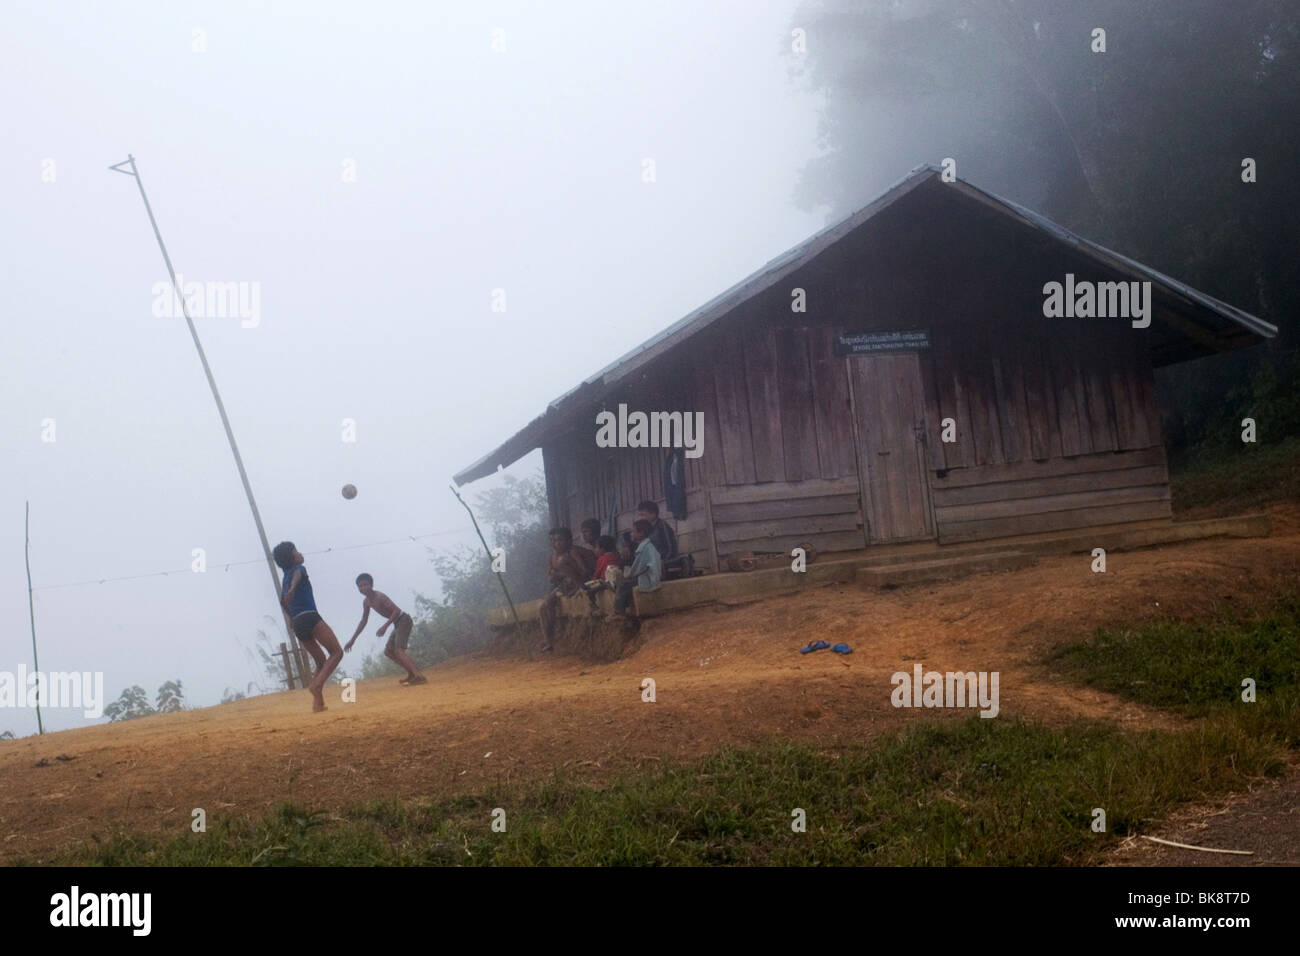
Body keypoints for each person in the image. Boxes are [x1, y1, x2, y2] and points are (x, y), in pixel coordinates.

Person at [273, 541, 344, 713]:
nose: (300, 553)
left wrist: (290, 617)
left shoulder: (284, 578)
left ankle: (318, 703)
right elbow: (298, 574)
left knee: (320, 661)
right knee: (336, 652)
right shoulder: (298, 570)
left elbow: (283, 602)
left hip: (297, 623)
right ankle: (317, 685)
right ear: (292, 557)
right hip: (310, 616)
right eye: (296, 551)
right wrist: (293, 589)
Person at [344, 573, 426, 685]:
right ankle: (412, 673)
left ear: (371, 585)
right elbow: (363, 621)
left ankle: (419, 676)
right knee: (389, 652)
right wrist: (352, 639)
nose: (363, 588)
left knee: (398, 650)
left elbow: (396, 611)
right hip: (397, 623)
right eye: (360, 586)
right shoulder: (366, 602)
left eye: (365, 585)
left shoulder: (380, 597)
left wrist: (385, 626)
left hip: (403, 620)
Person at [538, 527, 590, 652]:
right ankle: (548, 641)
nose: (557, 543)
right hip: (561, 587)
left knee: (547, 604)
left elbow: (584, 572)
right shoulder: (552, 557)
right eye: (554, 541)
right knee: (544, 607)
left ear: (568, 541)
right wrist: (558, 575)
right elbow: (551, 576)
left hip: (576, 584)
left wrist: (566, 571)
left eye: (560, 540)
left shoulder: (573, 553)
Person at [613, 519, 662, 618]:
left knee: (623, 584)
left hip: (649, 579)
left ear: (641, 533)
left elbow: (637, 568)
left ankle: (618, 612)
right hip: (649, 576)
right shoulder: (646, 546)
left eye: (633, 531)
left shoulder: (644, 548)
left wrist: (628, 575)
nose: (630, 534)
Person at [580, 534, 622, 608]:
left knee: (586, 587)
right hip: (617, 582)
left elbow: (597, 573)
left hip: (605, 582)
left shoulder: (602, 558)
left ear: (602, 549)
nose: (595, 550)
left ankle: (593, 605)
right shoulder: (617, 556)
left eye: (596, 547)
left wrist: (593, 580)